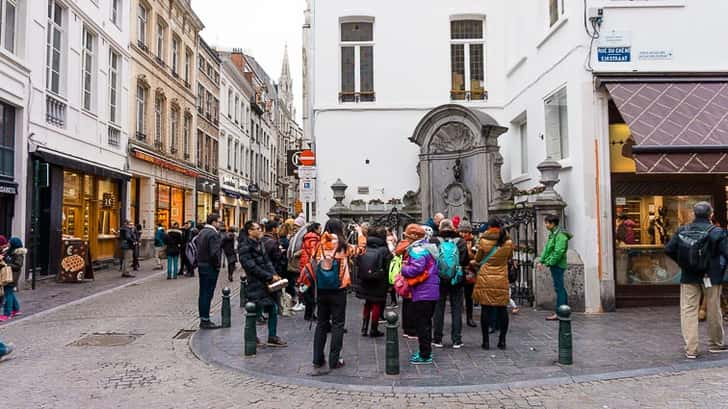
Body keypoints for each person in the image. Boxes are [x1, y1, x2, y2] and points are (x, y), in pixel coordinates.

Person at [665, 202, 728, 359]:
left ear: (693, 214)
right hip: (711, 276)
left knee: (688, 310)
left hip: (689, 275)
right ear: (711, 214)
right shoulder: (717, 232)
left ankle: (691, 349)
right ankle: (716, 344)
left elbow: (669, 249)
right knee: (714, 309)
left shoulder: (682, 230)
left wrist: (684, 263)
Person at [305, 218, 365, 375]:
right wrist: (359, 233)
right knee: (338, 324)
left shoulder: (319, 244)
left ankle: (317, 359)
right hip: (339, 289)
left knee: (322, 324)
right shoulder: (343, 246)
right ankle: (334, 359)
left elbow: (312, 259)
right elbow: (361, 250)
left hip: (322, 289)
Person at [239, 220, 287, 346]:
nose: (260, 231)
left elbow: (267, 262)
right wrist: (269, 277)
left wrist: (274, 275)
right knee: (255, 310)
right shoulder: (244, 247)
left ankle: (272, 336)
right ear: (250, 231)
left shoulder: (260, 243)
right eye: (257, 229)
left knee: (273, 308)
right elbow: (251, 267)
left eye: (260, 228)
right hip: (255, 283)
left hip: (266, 282)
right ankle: (252, 337)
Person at [400, 225, 440, 365]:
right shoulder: (429, 248)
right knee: (426, 323)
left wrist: (403, 268)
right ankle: (425, 351)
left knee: (421, 324)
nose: (406, 239)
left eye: (407, 236)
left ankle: (425, 354)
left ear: (415, 237)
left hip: (422, 292)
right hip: (431, 291)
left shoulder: (418, 250)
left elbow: (415, 269)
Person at [472, 217, 514, 350]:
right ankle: (502, 341)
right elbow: (509, 258)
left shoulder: (483, 241)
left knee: (486, 309)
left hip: (486, 278)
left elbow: (478, 259)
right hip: (501, 277)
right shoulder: (508, 242)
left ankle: (485, 342)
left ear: (489, 227)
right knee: (502, 309)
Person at [431, 219, 469, 349]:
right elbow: (464, 261)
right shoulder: (461, 242)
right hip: (456, 279)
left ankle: (437, 339)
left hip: (439, 279)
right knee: (456, 309)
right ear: (453, 228)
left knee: (438, 308)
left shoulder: (434, 241)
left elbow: (431, 260)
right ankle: (456, 339)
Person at [356, 226, 392, 337]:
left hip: (365, 279)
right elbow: (388, 266)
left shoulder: (366, 246)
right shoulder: (384, 249)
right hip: (379, 280)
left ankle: (364, 328)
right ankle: (373, 329)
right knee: (376, 303)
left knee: (368, 303)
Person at [540, 214, 572, 321]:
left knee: (559, 289)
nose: (545, 225)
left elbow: (559, 251)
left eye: (547, 223)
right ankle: (564, 310)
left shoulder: (560, 235)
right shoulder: (554, 234)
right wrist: (542, 260)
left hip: (558, 265)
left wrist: (549, 262)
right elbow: (547, 248)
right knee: (559, 288)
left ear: (552, 224)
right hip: (556, 264)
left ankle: (560, 312)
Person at [196, 214, 223, 329]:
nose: (220, 224)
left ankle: (203, 317)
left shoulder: (201, 232)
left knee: (203, 293)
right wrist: (217, 265)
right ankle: (205, 320)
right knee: (208, 293)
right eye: (219, 222)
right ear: (213, 222)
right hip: (210, 267)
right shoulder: (213, 234)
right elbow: (214, 253)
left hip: (202, 264)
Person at [297, 222, 321, 321]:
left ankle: (309, 314)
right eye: (320, 228)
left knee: (308, 290)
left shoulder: (307, 237)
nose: (321, 230)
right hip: (310, 267)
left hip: (305, 266)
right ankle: (310, 315)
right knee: (311, 291)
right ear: (315, 229)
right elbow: (314, 253)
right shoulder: (313, 239)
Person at [0, 237, 26, 321]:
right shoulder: (9, 251)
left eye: (10, 242)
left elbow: (18, 265)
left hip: (12, 276)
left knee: (7, 294)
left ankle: (7, 314)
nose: (8, 243)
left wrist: (7, 265)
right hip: (8, 275)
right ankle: (16, 309)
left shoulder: (18, 253)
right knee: (10, 292)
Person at [458, 220, 478, 328]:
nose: (464, 234)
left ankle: (469, 317)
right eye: (462, 232)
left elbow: (477, 256)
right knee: (458, 295)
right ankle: (458, 317)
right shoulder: (457, 241)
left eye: (466, 232)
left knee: (469, 296)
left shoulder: (474, 241)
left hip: (470, 271)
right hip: (459, 270)